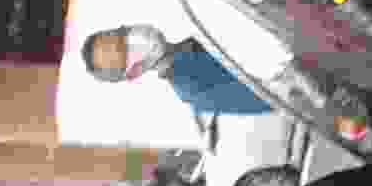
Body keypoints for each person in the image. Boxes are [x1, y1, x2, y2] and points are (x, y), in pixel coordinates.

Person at [79, 25, 268, 125]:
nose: (132, 39)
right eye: (124, 51)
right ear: (133, 73)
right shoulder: (195, 90)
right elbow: (277, 96)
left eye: (121, 35)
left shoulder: (194, 24)